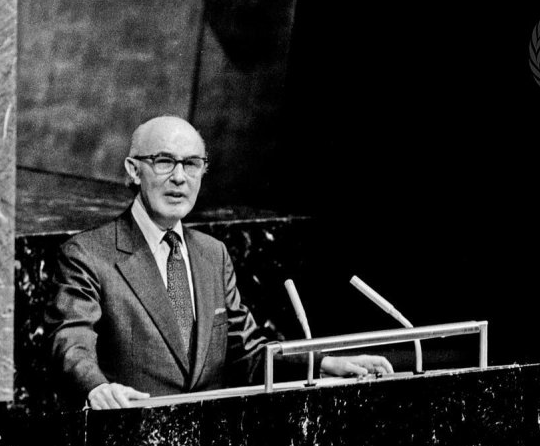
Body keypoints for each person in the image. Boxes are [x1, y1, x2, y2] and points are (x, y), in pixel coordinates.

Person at [46, 115, 393, 410]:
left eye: (192, 164)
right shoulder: (88, 254)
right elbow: (71, 343)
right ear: (134, 171)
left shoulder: (213, 254)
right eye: (164, 162)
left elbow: (250, 354)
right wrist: (97, 388)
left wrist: (325, 364)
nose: (179, 177)